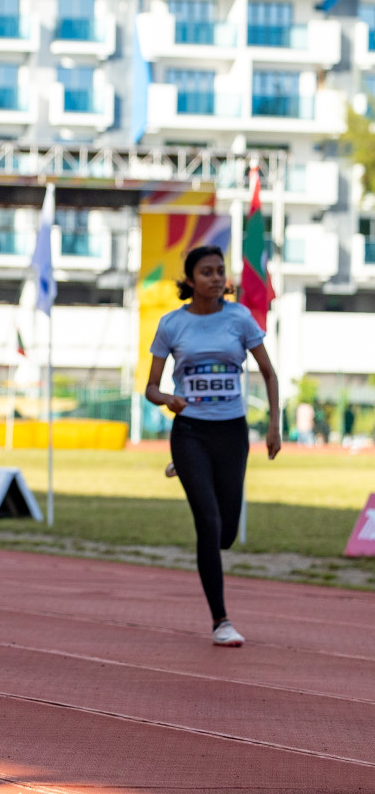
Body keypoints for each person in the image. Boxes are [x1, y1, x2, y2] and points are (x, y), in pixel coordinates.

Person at [145, 244, 279, 647]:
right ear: (190, 280)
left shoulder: (239, 319)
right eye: (207, 272)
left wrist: (274, 426)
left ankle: (186, 469)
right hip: (190, 432)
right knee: (208, 523)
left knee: (226, 534)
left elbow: (269, 373)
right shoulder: (172, 325)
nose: (217, 278)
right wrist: (168, 398)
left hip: (231, 433)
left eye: (220, 271)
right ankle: (222, 621)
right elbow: (150, 387)